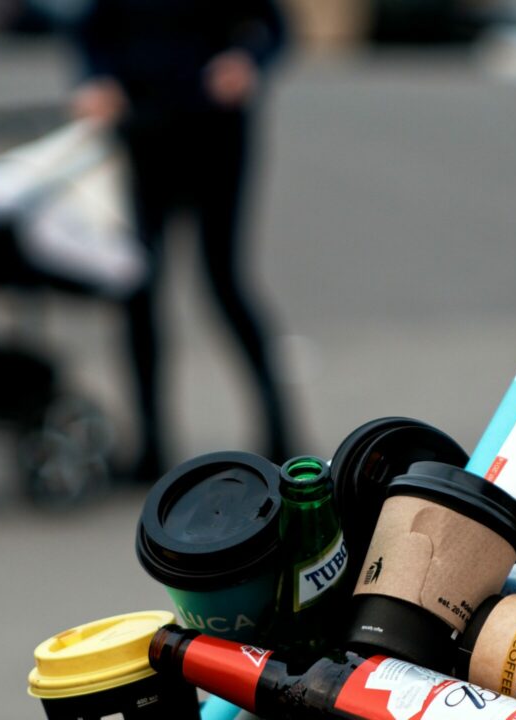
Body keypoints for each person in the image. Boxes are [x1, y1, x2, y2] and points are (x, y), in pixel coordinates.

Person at [70, 0, 295, 479]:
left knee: (224, 281)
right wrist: (97, 80)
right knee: (137, 286)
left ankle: (280, 430)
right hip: (142, 131)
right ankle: (151, 443)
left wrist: (247, 62)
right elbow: (90, 30)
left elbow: (274, 25)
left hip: (214, 131)